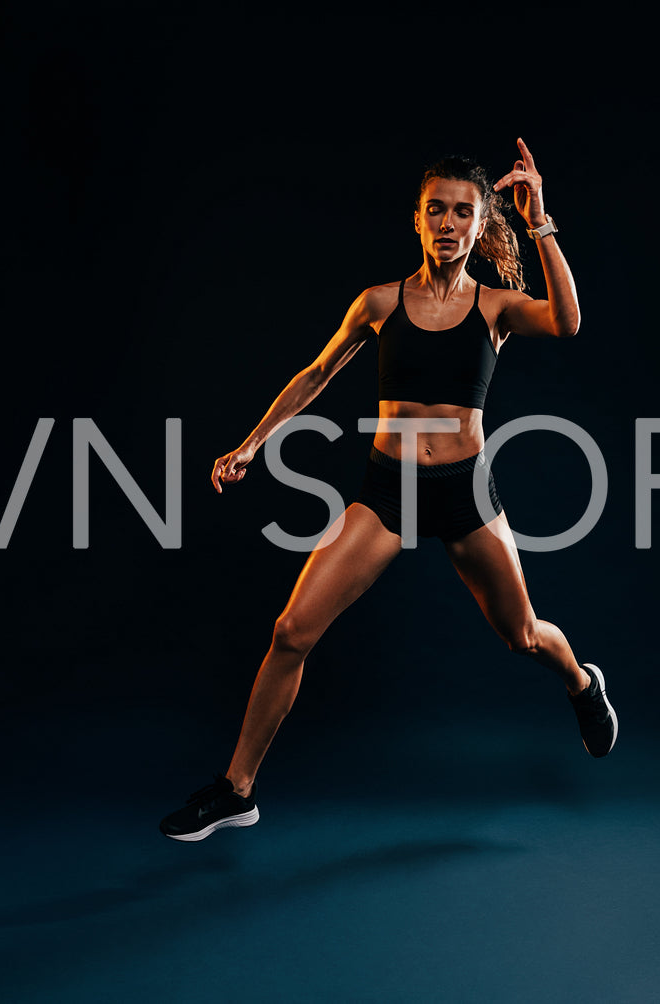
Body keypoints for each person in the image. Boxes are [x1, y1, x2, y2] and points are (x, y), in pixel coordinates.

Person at [160, 139, 616, 842]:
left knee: (522, 637)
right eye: (434, 208)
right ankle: (236, 790)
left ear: (477, 223)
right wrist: (252, 442)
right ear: (416, 219)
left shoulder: (494, 307)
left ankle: (581, 682)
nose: (446, 222)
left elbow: (566, 320)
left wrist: (539, 219)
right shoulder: (378, 302)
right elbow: (314, 374)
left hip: (465, 493)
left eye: (462, 212)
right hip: (387, 489)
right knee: (290, 632)